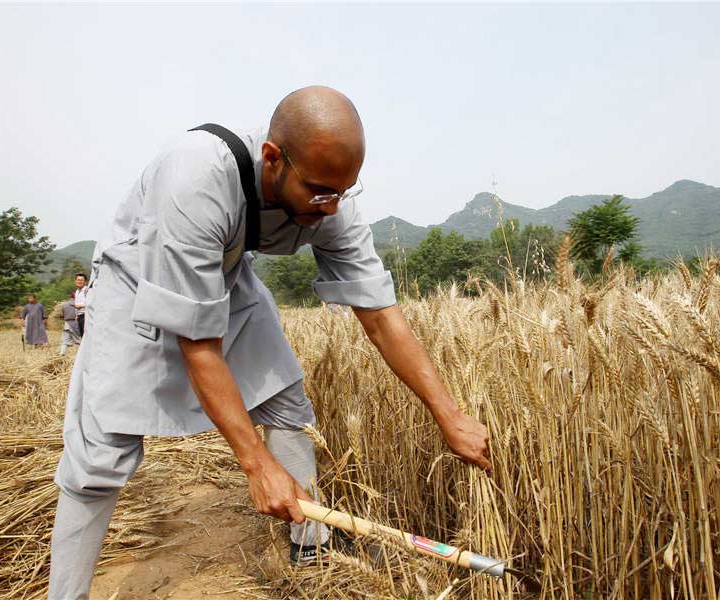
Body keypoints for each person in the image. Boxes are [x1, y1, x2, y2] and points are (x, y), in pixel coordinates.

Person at [48, 86, 491, 599]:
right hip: (135, 286)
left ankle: (311, 545)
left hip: (229, 278)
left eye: (345, 191)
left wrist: (449, 414)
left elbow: (381, 317)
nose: (332, 208)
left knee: (287, 404)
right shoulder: (196, 176)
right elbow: (198, 342)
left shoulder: (331, 202)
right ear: (273, 159)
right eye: (322, 190)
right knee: (100, 459)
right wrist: (257, 466)